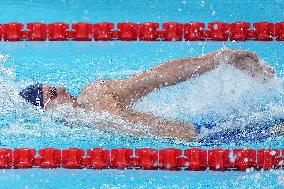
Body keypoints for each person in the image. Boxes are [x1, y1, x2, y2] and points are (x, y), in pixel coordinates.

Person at [19, 48, 276, 141]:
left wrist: (219, 58)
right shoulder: (74, 126)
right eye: (53, 92)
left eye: (55, 85)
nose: (62, 88)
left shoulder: (96, 95)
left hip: (205, 134)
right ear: (48, 107)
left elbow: (157, 77)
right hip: (201, 141)